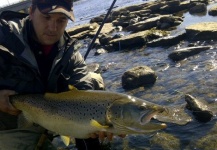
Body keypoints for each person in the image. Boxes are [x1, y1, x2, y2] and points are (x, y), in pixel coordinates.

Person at [0, 0, 123, 149]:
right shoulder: (4, 39)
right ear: (31, 12)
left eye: (61, 20)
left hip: (53, 114)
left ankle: (89, 140)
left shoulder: (68, 51)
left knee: (94, 80)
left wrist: (98, 122)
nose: (53, 27)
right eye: (46, 17)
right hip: (11, 122)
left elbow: (83, 85)